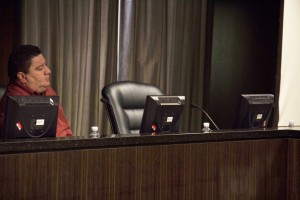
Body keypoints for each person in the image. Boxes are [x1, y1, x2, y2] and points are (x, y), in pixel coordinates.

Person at [0, 45, 73, 137]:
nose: (48, 71)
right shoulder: (13, 104)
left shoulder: (44, 88)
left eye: (45, 65)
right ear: (22, 77)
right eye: (40, 68)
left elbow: (65, 130)